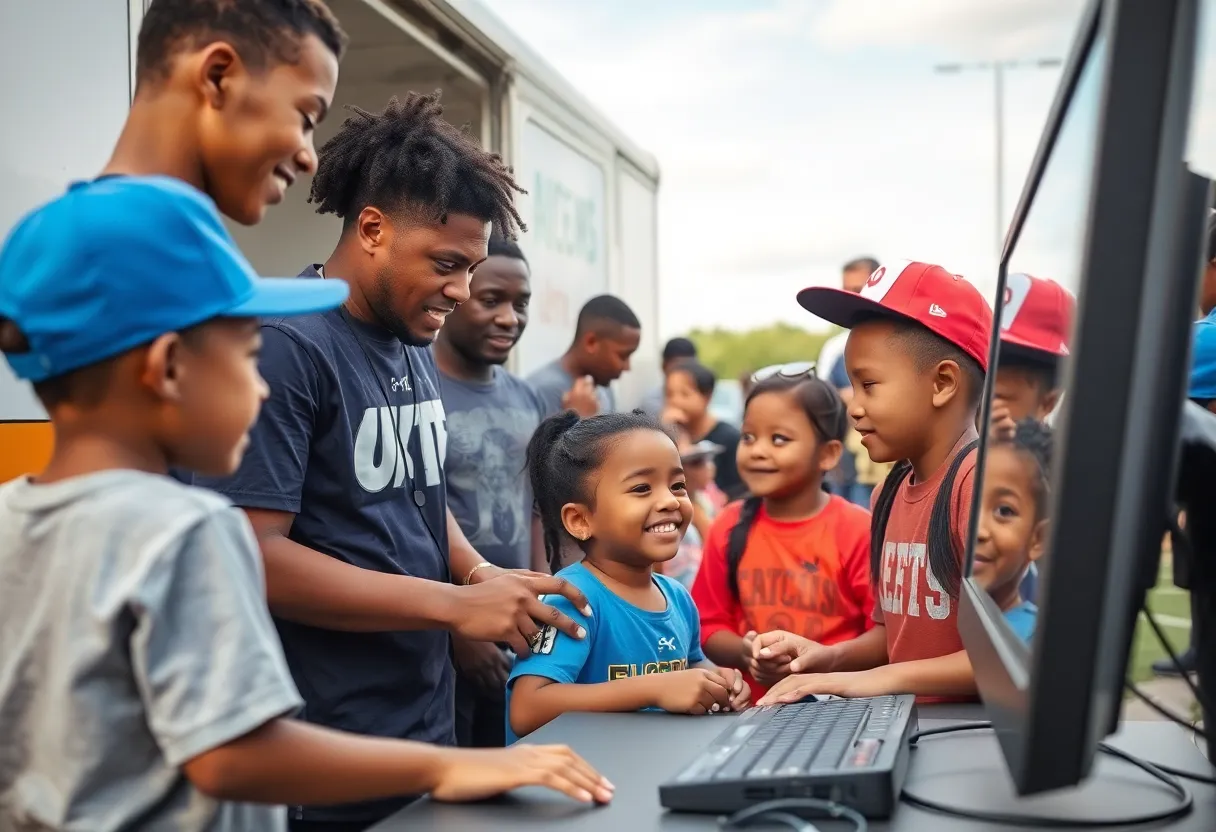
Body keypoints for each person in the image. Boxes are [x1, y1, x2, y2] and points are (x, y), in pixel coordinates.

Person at [0, 178, 612, 831]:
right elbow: (229, 755)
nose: (259, 389)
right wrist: (446, 767)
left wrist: (474, 577)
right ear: (169, 367)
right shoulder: (190, 531)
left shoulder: (14, 513)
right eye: (244, 356)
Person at [193, 92, 600, 831]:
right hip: (323, 746)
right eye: (446, 264)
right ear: (373, 230)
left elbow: (416, 493)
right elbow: (252, 554)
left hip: (420, 721)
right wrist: (454, 607)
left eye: (471, 269)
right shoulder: (289, 346)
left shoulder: (407, 342)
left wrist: (480, 573)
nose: (460, 291)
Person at [756, 259, 992, 705]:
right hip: (908, 730)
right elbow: (895, 639)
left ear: (942, 383)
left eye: (869, 385)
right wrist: (828, 659)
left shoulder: (978, 485)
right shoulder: (888, 494)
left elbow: (1001, 656)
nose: (854, 407)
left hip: (965, 740)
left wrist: (863, 683)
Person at [507, 411, 751, 742]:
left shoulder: (677, 596)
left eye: (677, 485)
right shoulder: (571, 601)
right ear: (580, 519)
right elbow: (527, 709)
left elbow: (691, 665)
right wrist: (652, 689)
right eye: (641, 488)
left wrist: (718, 681)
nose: (669, 500)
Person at [692, 369, 874, 702]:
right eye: (748, 437)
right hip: (755, 712)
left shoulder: (858, 530)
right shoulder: (728, 526)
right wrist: (745, 652)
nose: (758, 451)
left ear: (828, 454)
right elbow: (708, 625)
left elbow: (886, 637)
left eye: (779, 439)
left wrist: (825, 657)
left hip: (843, 711)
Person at [434, 233, 546, 749]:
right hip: (446, 634)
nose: (510, 318)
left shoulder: (527, 398)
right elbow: (416, 516)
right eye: (491, 300)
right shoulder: (419, 387)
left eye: (520, 304)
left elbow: (539, 510)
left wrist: (542, 593)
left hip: (519, 627)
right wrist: (459, 628)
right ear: (455, 294)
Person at [105, 0, 346, 225]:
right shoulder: (174, 249)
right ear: (217, 77)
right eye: (307, 118)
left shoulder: (72, 223)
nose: (310, 161)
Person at [974, 420, 1053, 643]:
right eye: (966, 500)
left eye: (1004, 510)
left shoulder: (1034, 641)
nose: (977, 530)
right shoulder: (933, 619)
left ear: (1038, 539)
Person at [817, 257, 882, 506]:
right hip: (847, 460)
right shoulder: (835, 349)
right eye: (847, 291)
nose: (852, 298)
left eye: (860, 290)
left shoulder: (902, 343)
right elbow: (824, 399)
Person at [528, 295, 641, 418]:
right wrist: (578, 418)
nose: (627, 367)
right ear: (591, 342)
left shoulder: (604, 390)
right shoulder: (540, 391)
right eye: (623, 356)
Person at [663, 359, 745, 499]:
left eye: (685, 394)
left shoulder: (730, 438)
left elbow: (739, 492)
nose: (675, 401)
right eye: (669, 394)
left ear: (707, 396)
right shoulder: (667, 436)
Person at [660, 430, 727, 588]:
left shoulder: (706, 498)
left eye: (706, 461)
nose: (708, 468)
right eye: (697, 463)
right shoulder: (673, 513)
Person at [639, 336, 699, 416]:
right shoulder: (651, 403)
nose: (683, 374)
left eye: (689, 367)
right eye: (678, 368)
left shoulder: (702, 398)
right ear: (664, 366)